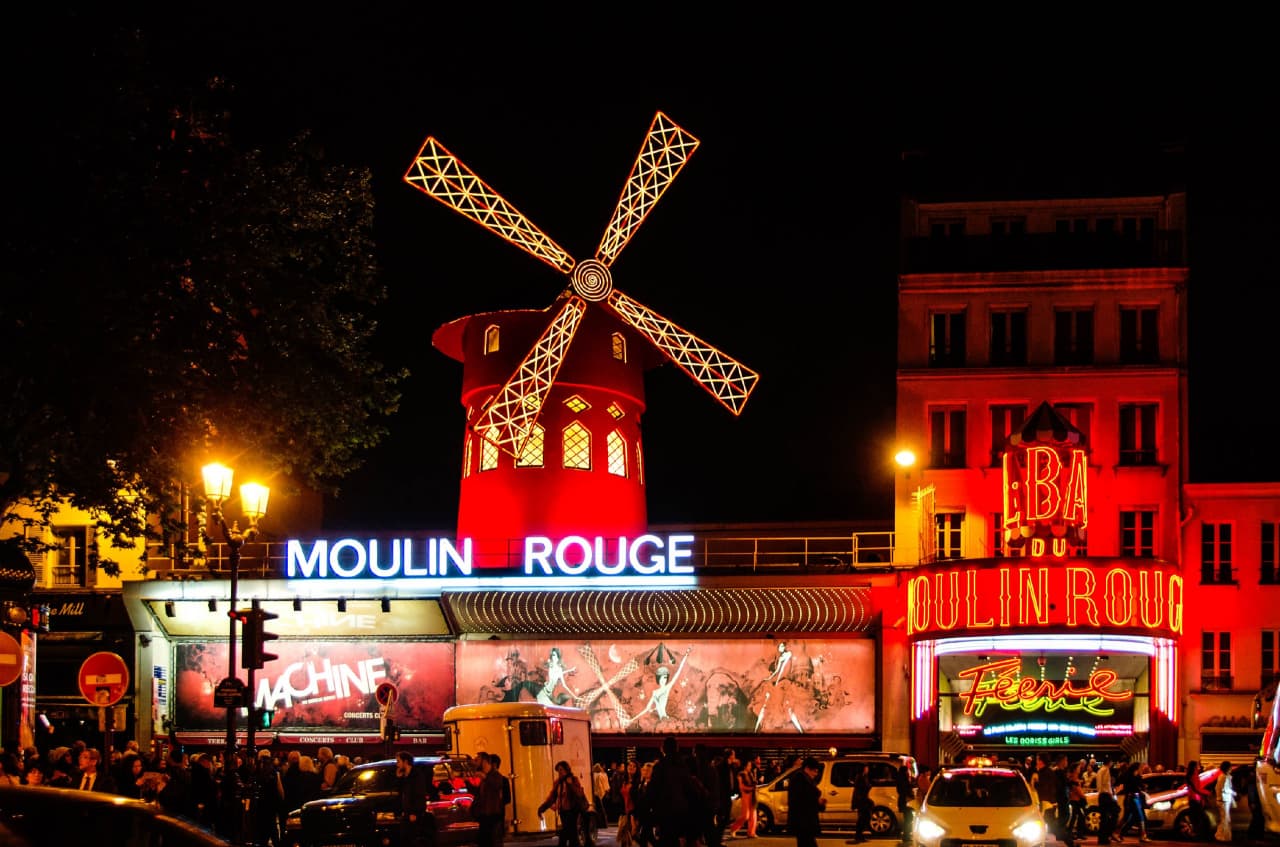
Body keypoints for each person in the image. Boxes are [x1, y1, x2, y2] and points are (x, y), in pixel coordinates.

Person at [539, 760, 589, 847]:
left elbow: (579, 794)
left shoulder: (573, 780)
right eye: (558, 770)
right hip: (563, 811)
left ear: (567, 770)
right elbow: (552, 797)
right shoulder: (558, 783)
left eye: (561, 769)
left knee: (569, 833)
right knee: (568, 832)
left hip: (573, 811)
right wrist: (542, 808)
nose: (559, 772)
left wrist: (571, 785)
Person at [788, 756, 825, 847]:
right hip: (803, 821)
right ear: (807, 768)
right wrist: (817, 800)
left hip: (805, 821)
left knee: (805, 843)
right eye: (815, 771)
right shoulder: (800, 778)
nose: (816, 774)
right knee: (806, 842)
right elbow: (803, 799)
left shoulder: (804, 778)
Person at [396, 751, 428, 847]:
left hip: (414, 814)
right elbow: (401, 793)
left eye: (398, 761)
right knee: (404, 838)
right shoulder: (404, 777)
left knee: (413, 838)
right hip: (406, 813)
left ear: (405, 762)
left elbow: (419, 795)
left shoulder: (417, 775)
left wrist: (414, 813)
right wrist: (399, 778)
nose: (397, 764)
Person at [475, 753, 507, 847]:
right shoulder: (485, 777)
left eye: (478, 760)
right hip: (484, 815)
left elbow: (497, 785)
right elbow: (477, 793)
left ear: (484, 762)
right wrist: (466, 781)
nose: (476, 762)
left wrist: (484, 777)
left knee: (491, 841)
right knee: (483, 841)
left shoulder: (496, 775)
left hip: (492, 815)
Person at [727, 753, 758, 838]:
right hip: (745, 795)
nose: (750, 767)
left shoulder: (750, 773)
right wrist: (751, 788)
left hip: (752, 795)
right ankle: (733, 828)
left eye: (750, 765)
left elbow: (754, 783)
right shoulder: (741, 774)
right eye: (749, 765)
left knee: (753, 815)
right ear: (745, 766)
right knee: (745, 815)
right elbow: (741, 786)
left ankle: (751, 832)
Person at [1116, 762, 1147, 843]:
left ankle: (1120, 834)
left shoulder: (1138, 777)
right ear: (1137, 768)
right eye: (1140, 768)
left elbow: (1141, 786)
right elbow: (1129, 787)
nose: (1142, 769)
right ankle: (1142, 836)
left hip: (1136, 798)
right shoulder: (1129, 776)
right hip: (1131, 799)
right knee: (1137, 816)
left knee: (1133, 818)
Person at [1094, 757, 1118, 846]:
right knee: (1115, 812)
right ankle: (1107, 834)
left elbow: (1100, 785)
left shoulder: (1100, 770)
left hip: (1101, 795)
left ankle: (1102, 837)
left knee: (1103, 817)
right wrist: (1111, 795)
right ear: (1109, 762)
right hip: (1106, 795)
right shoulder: (1106, 770)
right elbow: (1107, 784)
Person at [1185, 761, 1213, 838]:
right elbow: (1196, 788)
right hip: (1195, 799)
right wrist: (1205, 792)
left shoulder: (1192, 775)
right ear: (1194, 767)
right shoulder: (1193, 776)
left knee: (1197, 816)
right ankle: (1196, 833)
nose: (1198, 767)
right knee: (1198, 816)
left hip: (1193, 798)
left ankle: (1196, 832)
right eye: (1197, 766)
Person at [849, 764, 873, 844]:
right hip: (861, 801)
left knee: (864, 817)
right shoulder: (860, 777)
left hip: (863, 800)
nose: (867, 769)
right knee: (863, 818)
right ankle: (858, 835)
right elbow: (861, 789)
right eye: (866, 768)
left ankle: (859, 835)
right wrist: (869, 786)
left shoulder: (864, 777)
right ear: (863, 769)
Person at [618, 760, 640, 847]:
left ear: (637, 769)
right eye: (630, 765)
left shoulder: (638, 782)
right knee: (624, 839)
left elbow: (638, 800)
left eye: (634, 766)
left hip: (633, 813)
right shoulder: (624, 781)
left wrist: (633, 816)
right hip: (624, 813)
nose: (631, 767)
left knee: (634, 837)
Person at [1214, 761, 1235, 842]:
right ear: (1227, 768)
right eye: (1230, 767)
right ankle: (1221, 836)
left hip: (1223, 800)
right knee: (1225, 819)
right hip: (1224, 801)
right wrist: (1233, 793)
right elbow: (1226, 789)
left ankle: (1222, 836)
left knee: (1225, 819)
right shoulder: (1224, 777)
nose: (1231, 769)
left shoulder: (1222, 777)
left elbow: (1217, 788)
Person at [593, 763, 611, 829]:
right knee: (603, 809)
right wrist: (607, 790)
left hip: (594, 794)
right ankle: (603, 823)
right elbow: (606, 785)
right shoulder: (602, 775)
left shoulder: (592, 775)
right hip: (601, 793)